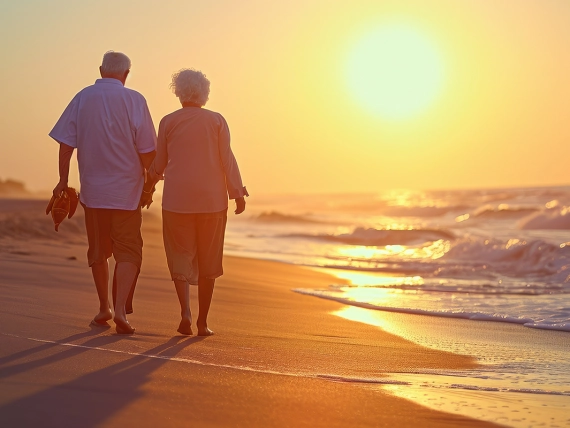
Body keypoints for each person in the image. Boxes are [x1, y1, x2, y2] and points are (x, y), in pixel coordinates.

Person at [49, 51, 157, 334]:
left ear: (101, 70)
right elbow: (148, 152)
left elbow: (65, 143)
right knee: (129, 251)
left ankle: (103, 308)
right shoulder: (135, 100)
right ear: (127, 74)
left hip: (94, 191)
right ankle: (120, 310)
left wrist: (63, 180)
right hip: (128, 192)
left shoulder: (83, 97)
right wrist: (149, 186)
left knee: (99, 250)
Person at [144, 68, 247, 336]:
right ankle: (202, 322)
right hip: (212, 202)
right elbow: (228, 159)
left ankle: (185, 313)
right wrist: (237, 191)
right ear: (204, 93)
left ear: (178, 93)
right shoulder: (216, 121)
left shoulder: (168, 122)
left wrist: (148, 186)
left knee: (180, 255)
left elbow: (160, 162)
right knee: (208, 259)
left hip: (177, 201)